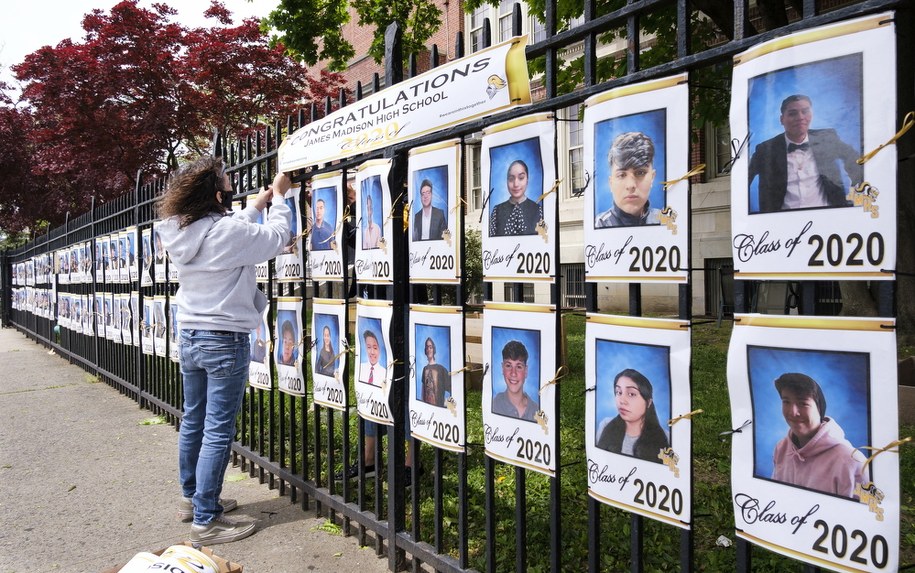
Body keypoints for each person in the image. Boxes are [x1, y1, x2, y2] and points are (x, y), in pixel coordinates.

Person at [156, 155, 292, 545]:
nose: (232, 187)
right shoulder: (224, 233)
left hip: (192, 333)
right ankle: (207, 520)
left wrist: (261, 200)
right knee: (217, 429)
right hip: (223, 338)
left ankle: (191, 499)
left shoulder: (182, 230)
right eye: (227, 183)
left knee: (194, 420)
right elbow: (276, 237)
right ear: (216, 194)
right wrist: (281, 199)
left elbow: (231, 228)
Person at [748, 94, 861, 213]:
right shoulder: (765, 149)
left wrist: (856, 195)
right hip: (782, 222)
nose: (800, 117)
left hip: (828, 217)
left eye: (805, 111)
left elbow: (855, 160)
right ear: (782, 119)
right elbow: (743, 178)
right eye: (793, 113)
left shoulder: (827, 138)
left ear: (811, 114)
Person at [771, 372, 865, 498]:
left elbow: (863, 515)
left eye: (803, 403)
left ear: (819, 408)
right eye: (786, 402)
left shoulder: (852, 462)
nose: (793, 412)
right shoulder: (781, 448)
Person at [596, 368, 669, 462]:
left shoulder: (665, 437)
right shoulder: (605, 425)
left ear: (648, 402)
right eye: (619, 392)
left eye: (631, 394)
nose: (622, 401)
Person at [595, 132, 662, 228]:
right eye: (622, 175)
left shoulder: (665, 221)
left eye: (640, 173)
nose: (630, 185)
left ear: (652, 177)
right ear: (611, 183)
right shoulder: (599, 224)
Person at [489, 160, 542, 236]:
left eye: (521, 178)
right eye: (511, 179)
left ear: (527, 180)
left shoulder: (538, 210)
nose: (516, 184)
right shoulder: (497, 211)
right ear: (507, 181)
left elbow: (544, 243)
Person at [492, 340, 538, 421]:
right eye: (508, 365)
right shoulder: (494, 404)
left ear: (526, 371)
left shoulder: (537, 410)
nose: (513, 373)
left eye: (519, 367)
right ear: (502, 368)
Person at [420, 337, 450, 407]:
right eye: (427, 348)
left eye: (430, 347)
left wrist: (448, 405)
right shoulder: (424, 369)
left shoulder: (441, 369)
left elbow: (453, 389)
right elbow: (422, 393)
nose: (429, 350)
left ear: (434, 349)